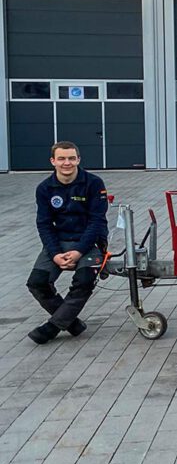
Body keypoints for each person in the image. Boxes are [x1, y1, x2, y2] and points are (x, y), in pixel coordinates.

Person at [27, 142, 109, 344]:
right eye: (62, 159)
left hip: (89, 242)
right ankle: (71, 322)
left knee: (84, 281)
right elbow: (44, 224)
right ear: (53, 161)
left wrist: (79, 251)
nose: (67, 163)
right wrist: (55, 254)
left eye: (71, 158)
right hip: (59, 241)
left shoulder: (94, 183)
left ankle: (52, 327)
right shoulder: (44, 189)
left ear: (78, 160)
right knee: (37, 283)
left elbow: (96, 222)